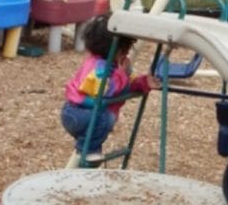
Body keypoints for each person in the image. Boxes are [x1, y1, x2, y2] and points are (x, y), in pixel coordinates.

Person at [60, 13, 158, 162]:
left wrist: (144, 82)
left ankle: (89, 151)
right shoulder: (99, 68)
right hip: (78, 114)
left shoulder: (109, 66)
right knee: (107, 117)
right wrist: (123, 74)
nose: (126, 55)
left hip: (80, 113)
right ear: (118, 51)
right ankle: (87, 150)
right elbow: (106, 90)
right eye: (125, 51)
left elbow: (127, 84)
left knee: (106, 116)